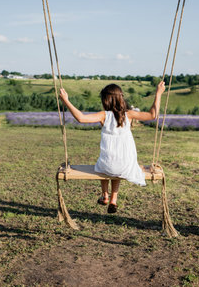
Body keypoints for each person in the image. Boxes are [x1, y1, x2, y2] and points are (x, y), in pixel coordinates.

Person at [59, 81, 166, 213]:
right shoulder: (129, 114)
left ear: (106, 100)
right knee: (119, 164)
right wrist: (158, 93)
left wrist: (66, 100)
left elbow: (81, 118)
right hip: (125, 167)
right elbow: (153, 115)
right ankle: (113, 200)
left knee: (105, 164)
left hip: (107, 166)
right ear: (121, 98)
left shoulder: (103, 115)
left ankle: (105, 195)